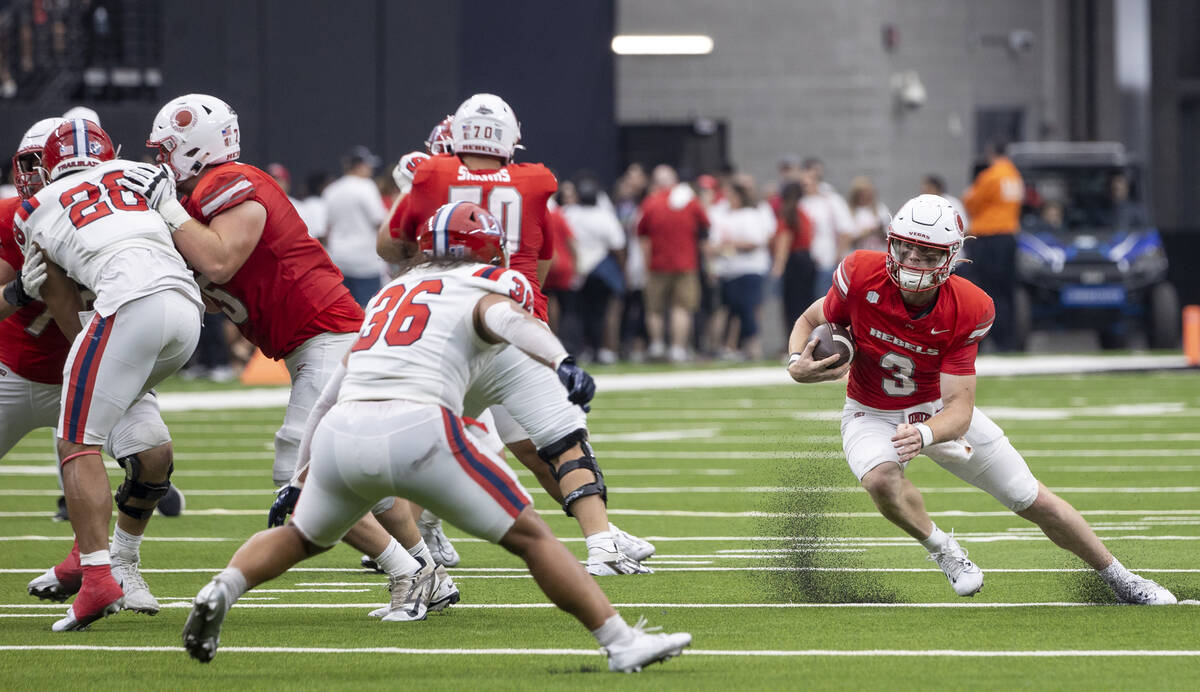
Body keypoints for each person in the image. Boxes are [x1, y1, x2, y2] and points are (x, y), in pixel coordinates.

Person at [182, 202, 691, 671]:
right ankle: (622, 642)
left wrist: (297, 480)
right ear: (491, 248)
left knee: (298, 537)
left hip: (342, 432)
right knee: (533, 538)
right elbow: (506, 321)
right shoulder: (483, 286)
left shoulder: (388, 295)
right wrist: (563, 361)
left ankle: (221, 590)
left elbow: (328, 395)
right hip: (418, 426)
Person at [128, 94, 447, 617]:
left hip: (326, 336)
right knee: (357, 467)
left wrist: (165, 212)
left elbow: (221, 259)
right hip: (317, 341)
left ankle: (411, 573)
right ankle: (421, 563)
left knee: (293, 473)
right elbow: (217, 288)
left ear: (196, 148)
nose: (162, 163)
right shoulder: (196, 202)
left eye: (168, 150)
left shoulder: (231, 183)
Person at [785, 193, 1176, 606]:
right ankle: (943, 550)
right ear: (891, 243)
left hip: (937, 410)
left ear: (952, 257)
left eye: (927, 253)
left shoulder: (970, 307)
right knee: (881, 479)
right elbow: (811, 320)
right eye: (906, 248)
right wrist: (796, 362)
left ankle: (1122, 579)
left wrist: (924, 432)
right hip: (871, 410)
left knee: (1031, 498)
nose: (913, 261)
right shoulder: (860, 274)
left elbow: (960, 408)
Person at [380, 94, 654, 574]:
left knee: (434, 446)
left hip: (440, 328)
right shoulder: (532, 184)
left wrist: (412, 192)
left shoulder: (428, 178)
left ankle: (406, 555)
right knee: (560, 437)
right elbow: (540, 264)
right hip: (509, 316)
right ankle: (601, 542)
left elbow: (390, 247)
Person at [11, 118, 205, 630]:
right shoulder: (141, 174)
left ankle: (98, 578)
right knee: (144, 448)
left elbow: (67, 310)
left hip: (123, 313)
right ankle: (89, 558)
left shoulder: (32, 207)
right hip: (186, 314)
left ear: (48, 164)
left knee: (76, 442)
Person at [636, 165, 708, 363]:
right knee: (682, 307)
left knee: (654, 309)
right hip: (686, 263)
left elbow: (641, 234)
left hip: (657, 264)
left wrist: (645, 264)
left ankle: (657, 345)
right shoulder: (690, 201)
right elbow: (705, 225)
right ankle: (678, 348)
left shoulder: (650, 203)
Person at [963, 140, 1023, 352]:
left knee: (984, 290)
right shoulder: (1014, 175)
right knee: (1006, 291)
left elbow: (970, 201)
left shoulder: (991, 176)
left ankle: (985, 338)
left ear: (991, 152)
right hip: (1009, 235)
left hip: (988, 237)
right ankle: (1008, 341)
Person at [706, 174, 774, 360]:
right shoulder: (724, 214)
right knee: (732, 310)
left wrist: (730, 246)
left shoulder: (751, 214)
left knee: (748, 309)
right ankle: (731, 347)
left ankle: (753, 347)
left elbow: (756, 241)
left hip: (749, 269)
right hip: (729, 270)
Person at [561, 174, 625, 364]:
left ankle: (582, 349)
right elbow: (618, 246)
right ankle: (601, 349)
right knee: (600, 313)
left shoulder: (569, 214)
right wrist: (623, 271)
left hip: (577, 269)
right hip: (599, 270)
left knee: (577, 312)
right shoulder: (604, 216)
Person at [324, 146, 388, 306]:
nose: (370, 169)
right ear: (359, 165)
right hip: (365, 261)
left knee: (344, 311)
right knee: (367, 312)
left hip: (338, 259)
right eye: (368, 165)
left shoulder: (331, 190)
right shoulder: (366, 186)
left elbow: (327, 229)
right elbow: (380, 221)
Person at [770, 181, 814, 339]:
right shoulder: (803, 214)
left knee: (792, 306)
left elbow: (784, 243)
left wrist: (778, 267)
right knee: (805, 304)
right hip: (806, 261)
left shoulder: (788, 215)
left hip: (794, 262)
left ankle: (794, 340)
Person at [846, 176, 889, 252]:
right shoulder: (849, 211)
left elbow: (889, 234)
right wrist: (865, 233)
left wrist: (879, 230)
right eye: (861, 194)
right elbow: (846, 238)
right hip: (858, 253)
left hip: (878, 252)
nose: (865, 196)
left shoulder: (880, 209)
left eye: (867, 193)